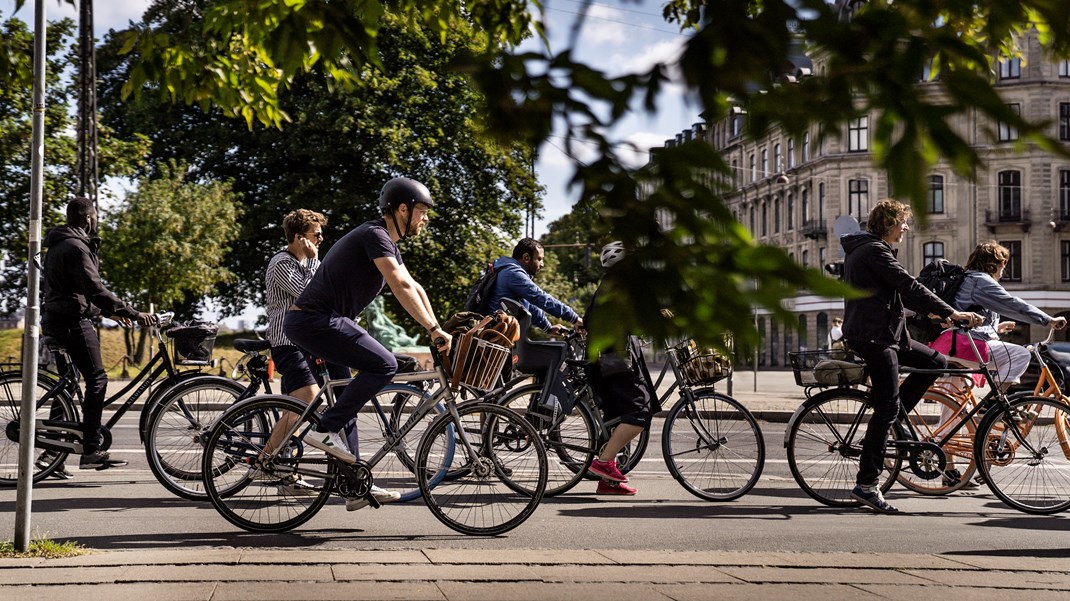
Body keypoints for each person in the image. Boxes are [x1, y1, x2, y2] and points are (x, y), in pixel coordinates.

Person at [284, 177, 452, 511]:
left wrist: (439, 329)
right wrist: (432, 329)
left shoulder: (386, 242)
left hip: (322, 322)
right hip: (317, 321)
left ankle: (354, 485)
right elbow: (399, 285)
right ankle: (325, 428)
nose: (425, 219)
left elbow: (414, 287)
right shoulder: (374, 235)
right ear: (402, 209)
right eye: (422, 211)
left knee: (348, 399)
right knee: (385, 364)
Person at [840, 199, 982, 514]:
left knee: (936, 362)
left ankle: (890, 423)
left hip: (884, 333)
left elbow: (889, 298)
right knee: (887, 406)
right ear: (889, 224)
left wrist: (932, 317)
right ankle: (866, 484)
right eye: (903, 222)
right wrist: (952, 312)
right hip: (874, 338)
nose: (906, 228)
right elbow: (909, 286)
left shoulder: (868, 250)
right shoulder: (874, 251)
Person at [41, 197, 155, 474]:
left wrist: (106, 313)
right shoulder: (76, 247)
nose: (96, 222)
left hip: (56, 319)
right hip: (71, 322)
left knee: (69, 385)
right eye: (95, 217)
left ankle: (52, 453)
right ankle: (91, 449)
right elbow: (94, 289)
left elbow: (73, 291)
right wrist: (132, 312)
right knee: (97, 379)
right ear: (87, 218)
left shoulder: (58, 244)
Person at [262, 209, 349, 493]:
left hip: (306, 343)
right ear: (300, 238)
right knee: (307, 402)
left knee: (296, 410)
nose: (322, 238)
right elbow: (311, 295)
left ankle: (283, 471)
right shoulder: (281, 263)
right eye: (316, 234)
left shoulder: (307, 261)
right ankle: (266, 461)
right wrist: (314, 262)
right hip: (287, 343)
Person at [583, 241, 654, 496]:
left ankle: (608, 481)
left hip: (606, 359)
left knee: (617, 418)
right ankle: (602, 463)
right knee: (639, 413)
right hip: (614, 361)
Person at [953, 241, 1067, 391]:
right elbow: (1012, 304)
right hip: (964, 343)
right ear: (995, 264)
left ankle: (976, 413)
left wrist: (996, 328)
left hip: (951, 341)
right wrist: (1048, 320)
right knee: (1020, 355)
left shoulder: (968, 279)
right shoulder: (980, 281)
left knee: (954, 406)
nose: (1004, 268)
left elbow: (970, 312)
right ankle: (993, 404)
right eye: (1003, 263)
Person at [486, 238, 582, 334]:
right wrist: (574, 318)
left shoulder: (508, 270)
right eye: (539, 259)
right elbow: (540, 298)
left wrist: (548, 328)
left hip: (498, 332)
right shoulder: (513, 273)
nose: (542, 264)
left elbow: (528, 305)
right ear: (526, 258)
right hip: (494, 335)